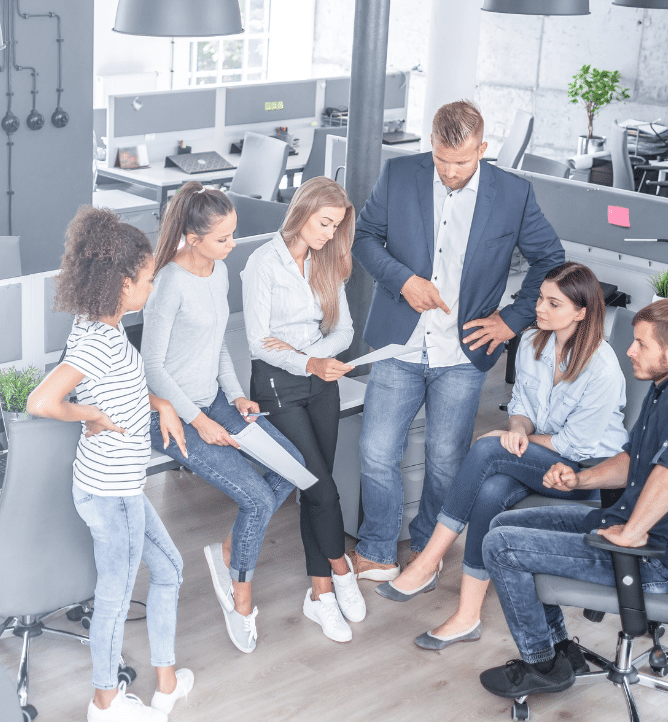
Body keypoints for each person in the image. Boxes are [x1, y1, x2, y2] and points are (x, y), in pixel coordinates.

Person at [348, 99, 565, 588]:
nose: (449, 172)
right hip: (399, 344)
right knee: (377, 450)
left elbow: (550, 260)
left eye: (462, 162)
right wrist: (402, 279)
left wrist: (510, 320)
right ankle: (379, 549)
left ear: (483, 149)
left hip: (465, 353)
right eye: (442, 160)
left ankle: (428, 546)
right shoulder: (399, 174)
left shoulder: (513, 194)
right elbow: (365, 238)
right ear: (431, 142)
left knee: (447, 458)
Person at [378, 263, 628, 650]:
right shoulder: (530, 342)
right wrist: (514, 431)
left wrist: (511, 442)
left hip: (583, 475)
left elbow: (575, 446)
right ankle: (467, 616)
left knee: (486, 448)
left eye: (553, 303)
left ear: (581, 312)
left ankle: (428, 561)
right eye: (541, 298)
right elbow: (522, 407)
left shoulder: (603, 368)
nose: (539, 308)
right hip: (540, 456)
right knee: (492, 487)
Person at [480, 298, 668, 698]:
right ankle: (563, 650)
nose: (630, 351)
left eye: (640, 344)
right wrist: (579, 480)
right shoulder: (666, 386)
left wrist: (632, 533)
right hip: (621, 522)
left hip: (652, 560)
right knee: (502, 524)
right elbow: (633, 460)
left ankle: (541, 664)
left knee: (501, 546)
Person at [27, 206, 192, 722]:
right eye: (146, 279)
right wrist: (88, 414)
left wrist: (157, 403)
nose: (150, 286)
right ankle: (103, 703)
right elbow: (42, 400)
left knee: (168, 570)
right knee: (116, 598)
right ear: (122, 283)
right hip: (111, 494)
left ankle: (166, 682)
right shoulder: (100, 341)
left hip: (120, 488)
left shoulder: (100, 326)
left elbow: (116, 388)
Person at [141, 182, 303, 655]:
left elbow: (215, 348)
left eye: (234, 235)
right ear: (192, 238)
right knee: (255, 499)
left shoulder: (217, 273)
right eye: (223, 239)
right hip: (170, 414)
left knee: (290, 467)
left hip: (212, 402)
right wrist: (198, 421)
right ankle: (240, 598)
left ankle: (230, 549)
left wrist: (234, 398)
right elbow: (153, 369)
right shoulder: (168, 283)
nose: (232, 246)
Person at [241, 176, 364, 643]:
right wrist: (307, 357)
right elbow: (258, 342)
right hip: (277, 387)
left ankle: (319, 596)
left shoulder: (325, 261)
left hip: (320, 383)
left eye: (336, 226)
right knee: (321, 488)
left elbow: (345, 329)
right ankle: (340, 568)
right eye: (325, 223)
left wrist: (317, 353)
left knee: (318, 491)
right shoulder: (262, 264)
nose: (330, 234)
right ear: (304, 211)